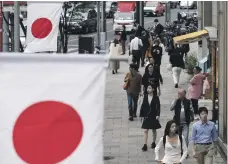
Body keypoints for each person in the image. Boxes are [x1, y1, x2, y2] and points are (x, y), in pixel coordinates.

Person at [140, 84, 161, 151]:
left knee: (154, 130)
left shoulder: (156, 97)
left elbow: (158, 107)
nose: (148, 89)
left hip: (153, 115)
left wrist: (158, 115)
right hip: (147, 116)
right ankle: (145, 145)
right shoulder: (145, 97)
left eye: (149, 88)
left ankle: (153, 142)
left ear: (153, 89)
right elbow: (143, 106)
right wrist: (142, 115)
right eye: (147, 88)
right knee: (145, 130)